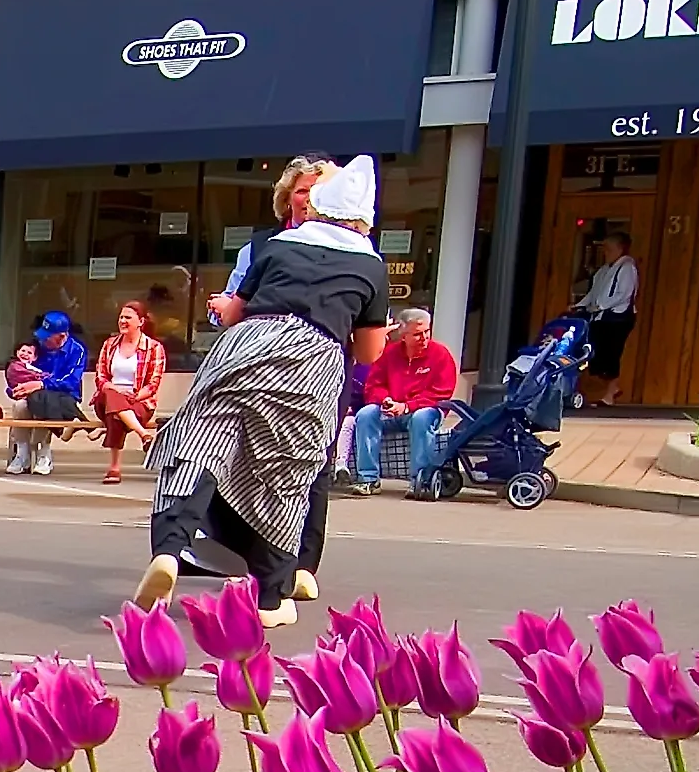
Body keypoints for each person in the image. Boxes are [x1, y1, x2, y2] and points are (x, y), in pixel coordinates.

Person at [137, 157, 388, 629]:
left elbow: (235, 312)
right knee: (286, 469)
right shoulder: (369, 265)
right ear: (361, 221)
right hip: (312, 359)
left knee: (200, 445)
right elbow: (370, 350)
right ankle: (272, 594)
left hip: (245, 344)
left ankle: (170, 550)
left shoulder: (278, 247)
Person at [209, 156, 335, 330]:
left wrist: (232, 310)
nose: (311, 198)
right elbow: (221, 311)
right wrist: (222, 310)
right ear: (287, 200)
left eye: (318, 190)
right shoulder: (258, 247)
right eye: (302, 191)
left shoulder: (349, 248)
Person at [353, 307, 457, 498]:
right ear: (403, 335)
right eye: (417, 334)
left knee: (421, 418)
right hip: (392, 409)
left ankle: (420, 481)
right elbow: (373, 386)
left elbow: (441, 393)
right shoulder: (388, 354)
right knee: (366, 414)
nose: (424, 338)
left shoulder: (441, 354)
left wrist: (407, 406)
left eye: (427, 331)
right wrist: (385, 400)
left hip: (424, 410)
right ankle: (368, 479)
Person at [91, 301, 166, 485]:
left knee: (116, 414)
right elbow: (101, 378)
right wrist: (117, 391)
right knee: (111, 396)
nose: (123, 321)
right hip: (107, 397)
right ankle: (144, 436)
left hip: (140, 401)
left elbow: (153, 384)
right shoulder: (109, 345)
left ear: (140, 321)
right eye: (121, 317)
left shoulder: (154, 348)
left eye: (128, 318)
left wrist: (133, 397)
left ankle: (114, 468)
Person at [5, 311, 87, 477]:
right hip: (34, 394)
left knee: (45, 402)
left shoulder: (76, 350)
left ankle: (43, 452)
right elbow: (23, 370)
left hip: (64, 396)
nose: (43, 339)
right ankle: (22, 453)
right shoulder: (38, 347)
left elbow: (71, 381)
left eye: (48, 336)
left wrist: (41, 384)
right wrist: (16, 389)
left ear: (61, 336)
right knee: (20, 405)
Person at [577, 231, 638, 404]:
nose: (606, 253)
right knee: (595, 354)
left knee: (611, 354)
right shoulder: (604, 270)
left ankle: (610, 392)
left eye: (609, 249)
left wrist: (601, 306)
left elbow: (623, 294)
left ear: (620, 249)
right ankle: (610, 387)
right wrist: (580, 305)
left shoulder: (627, 268)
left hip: (617, 319)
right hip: (600, 318)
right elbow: (594, 293)